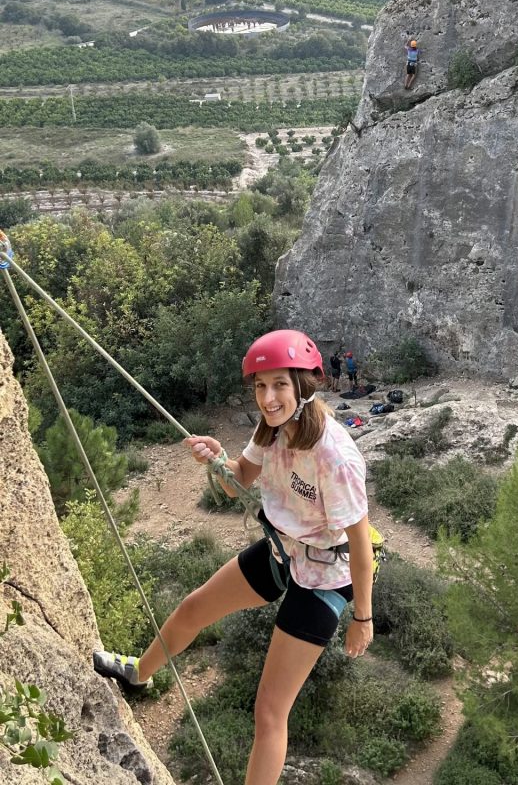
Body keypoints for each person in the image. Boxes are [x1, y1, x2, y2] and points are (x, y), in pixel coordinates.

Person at [93, 329, 374, 785]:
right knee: (193, 608)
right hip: (285, 552)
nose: (268, 397)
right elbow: (238, 480)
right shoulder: (272, 430)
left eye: (280, 384)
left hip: (326, 575)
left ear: (304, 384)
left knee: (269, 711)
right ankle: (138, 673)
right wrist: (218, 460)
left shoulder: (333, 457)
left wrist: (363, 618)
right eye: (260, 386)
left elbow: (360, 546)